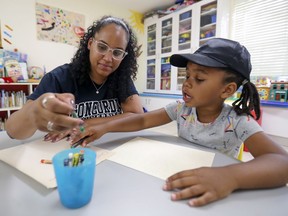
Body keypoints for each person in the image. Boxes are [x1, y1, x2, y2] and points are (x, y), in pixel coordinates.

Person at [71, 38, 288, 207]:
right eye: (187, 76)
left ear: (227, 90)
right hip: (177, 174)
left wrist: (230, 176)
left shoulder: (238, 121)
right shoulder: (181, 109)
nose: (187, 84)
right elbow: (143, 119)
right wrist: (103, 127)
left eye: (199, 79)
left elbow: (282, 162)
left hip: (215, 186)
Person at [5, 15, 144, 140]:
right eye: (102, 47)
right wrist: (32, 113)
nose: (108, 58)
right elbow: (12, 132)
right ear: (90, 44)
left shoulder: (121, 77)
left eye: (117, 52)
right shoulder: (58, 78)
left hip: (113, 149)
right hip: (69, 152)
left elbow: (136, 115)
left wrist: (85, 124)